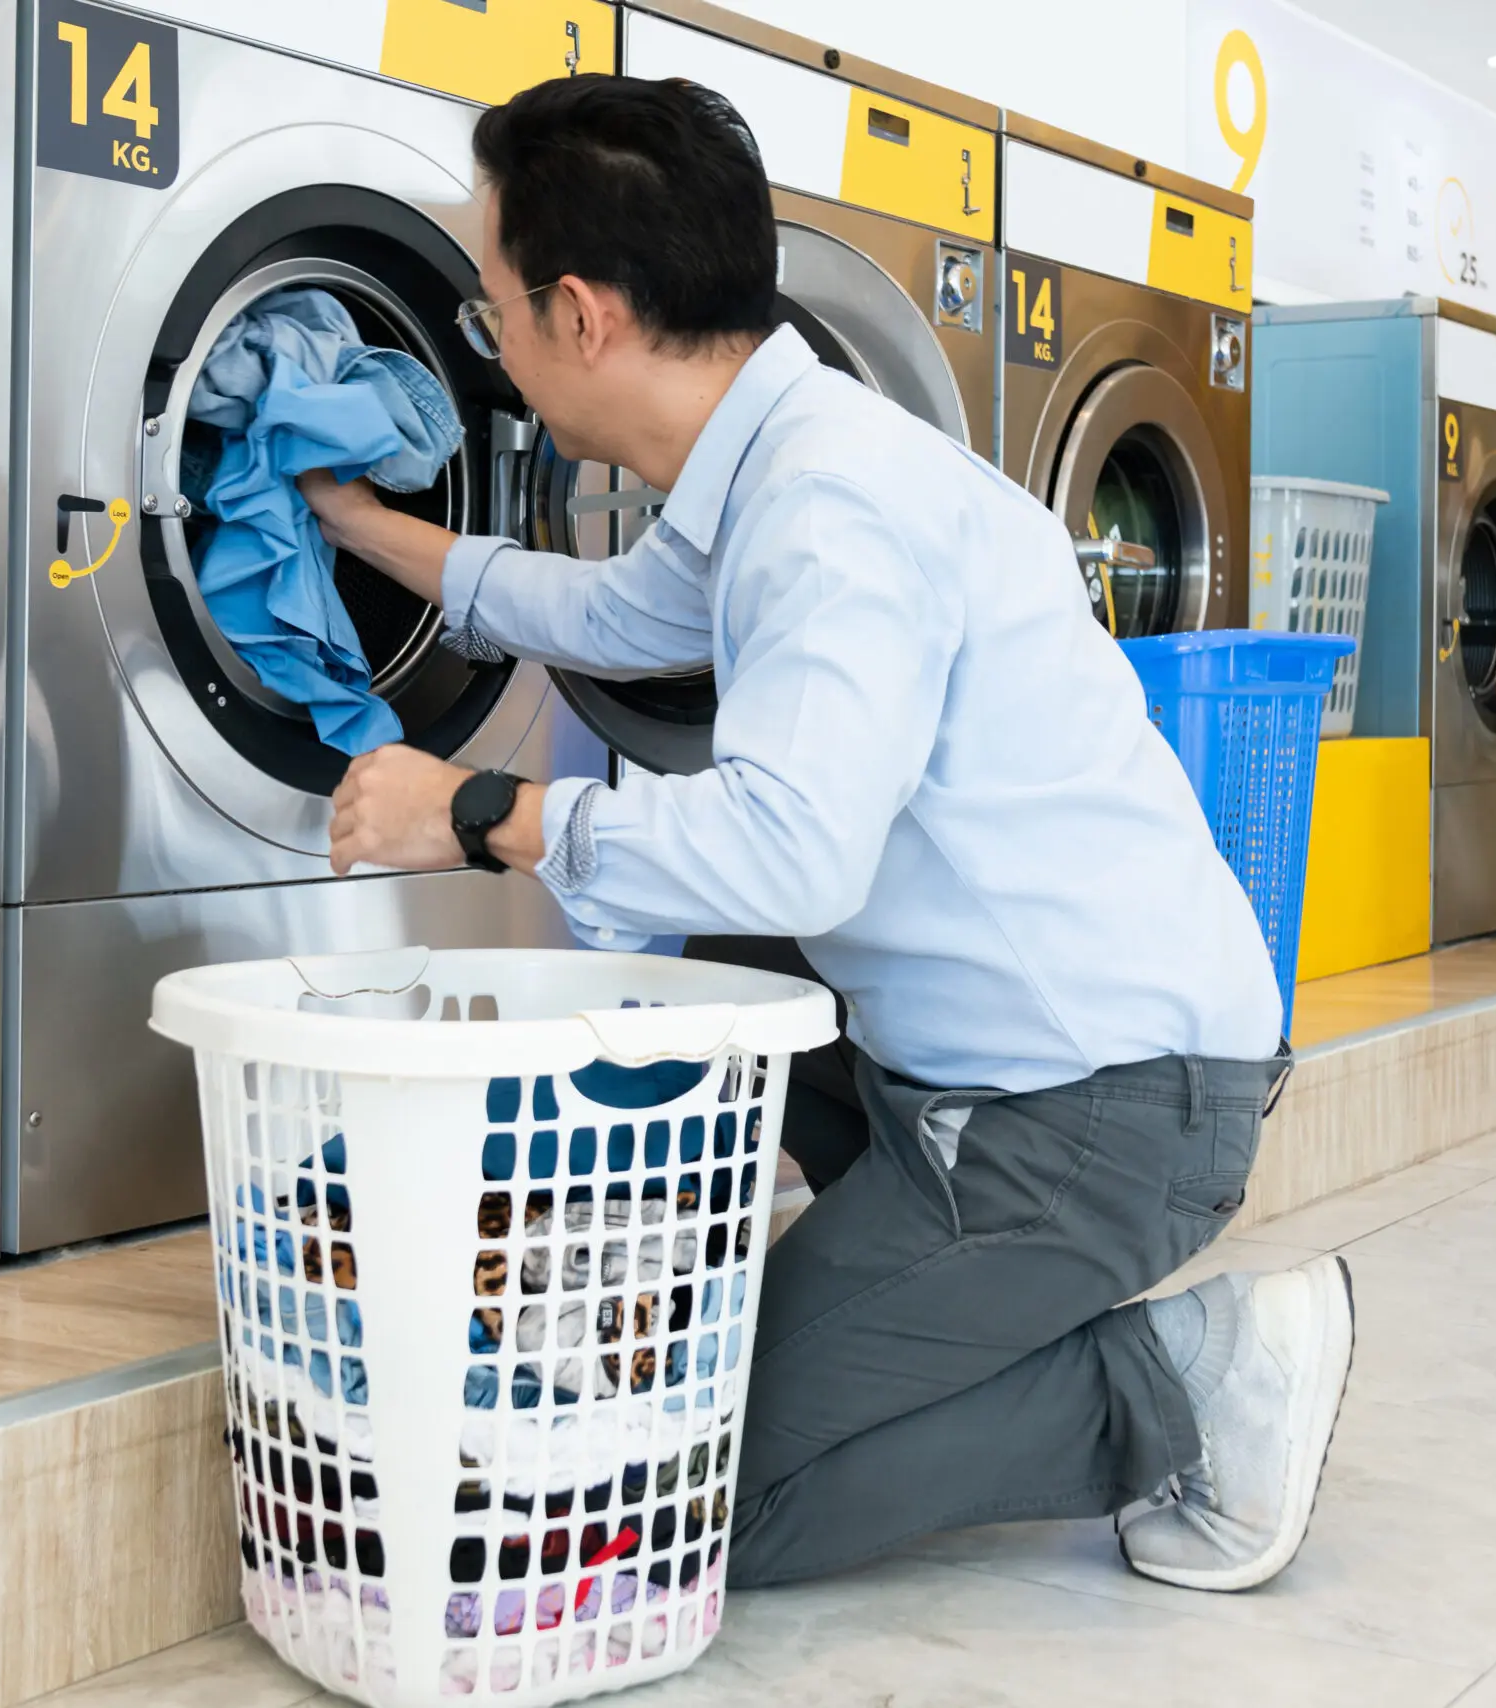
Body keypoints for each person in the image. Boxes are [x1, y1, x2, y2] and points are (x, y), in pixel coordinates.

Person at [294, 75, 1355, 1591]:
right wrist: (360, 528)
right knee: (726, 955)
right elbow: (607, 615)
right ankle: (804, 1305)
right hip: (1018, 1066)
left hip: (1096, 1120)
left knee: (695, 1506)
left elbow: (796, 852)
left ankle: (1185, 1378)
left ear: (581, 315)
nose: (492, 345)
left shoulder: (826, 508)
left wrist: (474, 812)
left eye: (491, 309)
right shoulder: (783, 455)